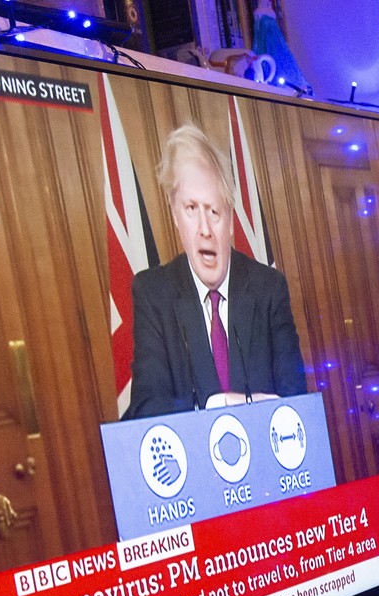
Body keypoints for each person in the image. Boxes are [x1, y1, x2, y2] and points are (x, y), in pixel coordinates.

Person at [124, 123, 307, 419]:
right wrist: (218, 405)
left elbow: (296, 401)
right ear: (175, 216)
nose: (204, 229)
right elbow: (147, 410)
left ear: (231, 220)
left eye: (214, 211)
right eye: (191, 209)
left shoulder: (268, 289)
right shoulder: (153, 294)